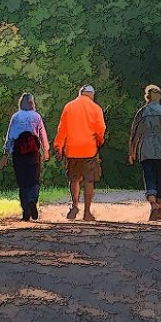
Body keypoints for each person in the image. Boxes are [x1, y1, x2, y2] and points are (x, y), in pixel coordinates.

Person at [53, 84, 106, 221]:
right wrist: (99, 142)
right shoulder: (96, 108)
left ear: (80, 93)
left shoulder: (69, 106)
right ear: (92, 95)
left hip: (72, 149)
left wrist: (59, 146)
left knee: (74, 179)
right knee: (89, 181)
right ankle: (87, 212)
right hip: (89, 149)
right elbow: (100, 128)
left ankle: (75, 205)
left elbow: (62, 128)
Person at [128, 84, 161, 221]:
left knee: (149, 177)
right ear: (159, 97)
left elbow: (135, 133)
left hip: (147, 148)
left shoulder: (142, 112)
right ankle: (160, 209)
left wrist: (132, 151)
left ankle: (153, 205)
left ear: (147, 97)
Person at [0, 93, 50, 221]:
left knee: (23, 183)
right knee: (34, 181)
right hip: (33, 153)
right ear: (32, 103)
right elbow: (42, 134)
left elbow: (10, 136)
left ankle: (26, 212)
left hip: (19, 153)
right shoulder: (36, 116)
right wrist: (46, 150)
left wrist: (6, 153)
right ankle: (32, 200)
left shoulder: (15, 117)